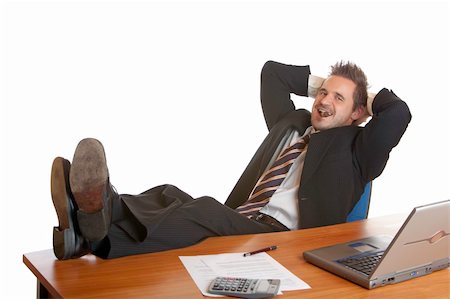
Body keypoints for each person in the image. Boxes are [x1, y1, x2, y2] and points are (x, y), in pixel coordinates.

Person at [51, 60, 411, 260]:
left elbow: (398, 113)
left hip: (286, 241)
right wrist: (327, 86)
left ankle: (97, 216)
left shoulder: (360, 150)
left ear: (357, 113)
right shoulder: (294, 125)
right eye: (322, 92)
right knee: (169, 193)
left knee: (206, 210)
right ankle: (86, 231)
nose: (323, 100)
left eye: (338, 98)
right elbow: (272, 73)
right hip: (245, 220)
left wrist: (364, 96)